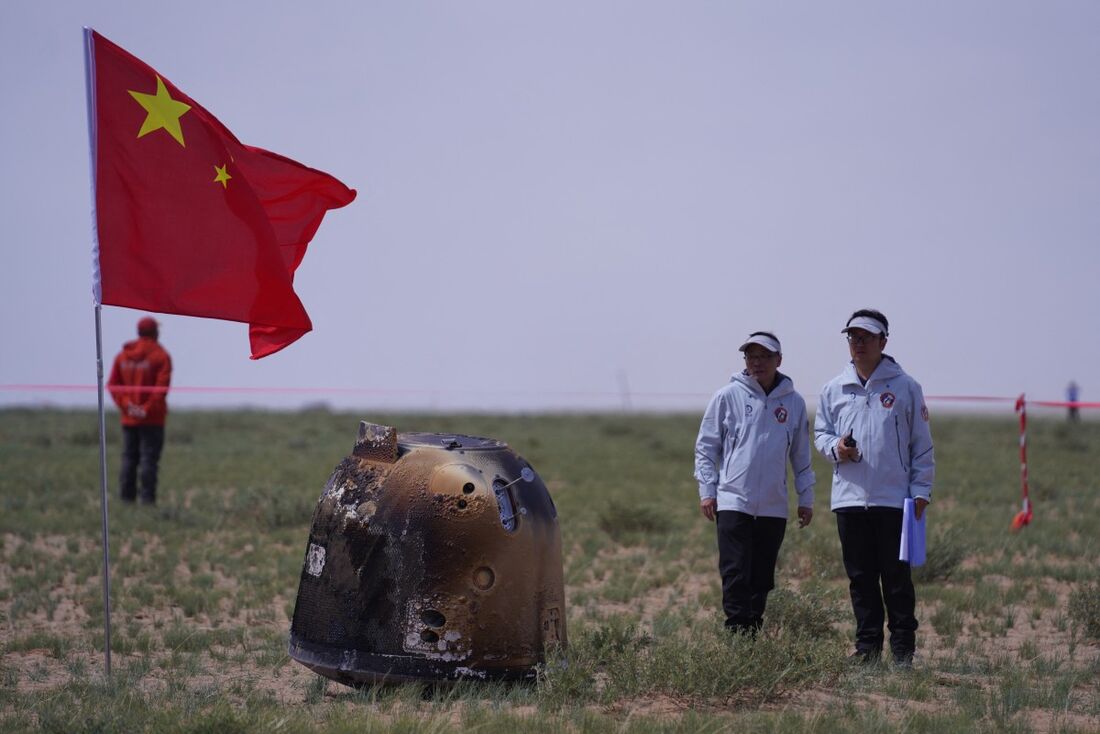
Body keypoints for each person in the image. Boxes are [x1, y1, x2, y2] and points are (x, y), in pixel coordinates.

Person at [814, 309, 934, 667]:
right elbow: (820, 435)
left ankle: (902, 651)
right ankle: (867, 649)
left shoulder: (906, 387)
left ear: (883, 341)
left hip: (894, 500)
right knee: (861, 580)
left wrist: (922, 491)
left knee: (896, 580)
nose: (859, 344)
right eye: (853, 337)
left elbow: (921, 445)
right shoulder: (833, 388)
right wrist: (838, 449)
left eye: (866, 337)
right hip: (849, 500)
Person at [694, 331, 815, 636]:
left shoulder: (795, 403)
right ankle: (737, 634)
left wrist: (806, 498)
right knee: (735, 572)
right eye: (752, 356)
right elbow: (706, 448)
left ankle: (753, 631)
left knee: (761, 577)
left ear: (779, 360)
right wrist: (708, 491)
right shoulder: (727, 396)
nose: (758, 362)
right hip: (734, 499)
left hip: (774, 505)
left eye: (765, 356)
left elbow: (801, 455)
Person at [107, 316, 172, 505]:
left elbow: (113, 385)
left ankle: (126, 500)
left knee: (129, 459)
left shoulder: (122, 356)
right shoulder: (161, 356)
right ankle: (147, 500)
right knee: (148, 460)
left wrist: (127, 406)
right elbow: (162, 388)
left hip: (129, 419)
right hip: (152, 420)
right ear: (155, 332)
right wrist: (145, 409)